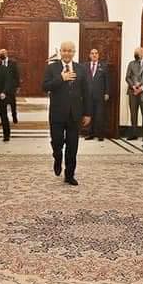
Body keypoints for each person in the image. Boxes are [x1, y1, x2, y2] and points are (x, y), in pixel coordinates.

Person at [42, 41, 92, 185]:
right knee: (57, 143)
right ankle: (57, 157)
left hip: (75, 114)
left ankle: (69, 175)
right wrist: (61, 78)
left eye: (70, 50)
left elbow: (86, 92)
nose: (67, 53)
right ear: (61, 52)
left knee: (72, 146)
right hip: (57, 114)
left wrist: (87, 113)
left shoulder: (81, 69)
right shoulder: (52, 68)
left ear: (74, 52)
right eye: (64, 50)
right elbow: (45, 86)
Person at [84, 48, 110, 141]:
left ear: (98, 55)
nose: (94, 55)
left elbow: (107, 80)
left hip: (100, 95)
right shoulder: (85, 66)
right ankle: (90, 133)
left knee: (99, 115)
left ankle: (100, 134)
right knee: (89, 114)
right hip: (88, 95)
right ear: (90, 55)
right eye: (92, 53)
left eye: (96, 53)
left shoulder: (103, 66)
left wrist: (107, 93)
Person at [125, 47, 143, 140]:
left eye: (138, 52)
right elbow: (127, 77)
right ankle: (134, 133)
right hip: (132, 91)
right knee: (133, 113)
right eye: (135, 52)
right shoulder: (131, 63)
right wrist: (133, 86)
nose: (136, 54)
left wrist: (141, 86)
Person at [0, 49, 21, 124]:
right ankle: (4, 120)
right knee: (2, 104)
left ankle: (14, 116)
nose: (1, 54)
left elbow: (16, 74)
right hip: (2, 87)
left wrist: (18, 86)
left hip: (11, 87)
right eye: (0, 53)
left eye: (3, 53)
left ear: (6, 54)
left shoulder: (13, 62)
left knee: (12, 103)